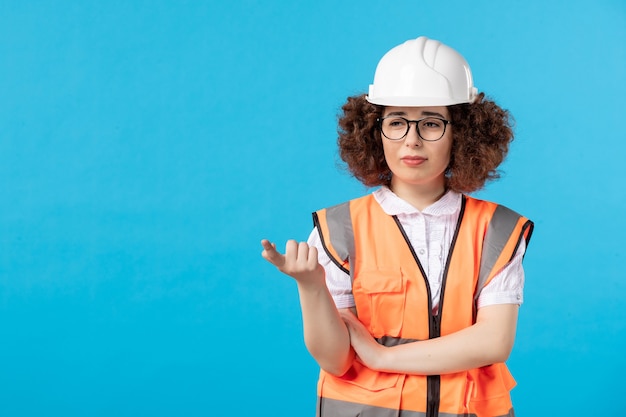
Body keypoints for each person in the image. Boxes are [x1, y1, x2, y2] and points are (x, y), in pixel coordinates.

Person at [261, 36, 533, 417]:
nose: (412, 140)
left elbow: (494, 341)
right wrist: (311, 287)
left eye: (431, 123)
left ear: (463, 132)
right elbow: (336, 360)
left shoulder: (497, 229)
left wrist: (379, 356)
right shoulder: (338, 229)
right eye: (397, 122)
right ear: (375, 130)